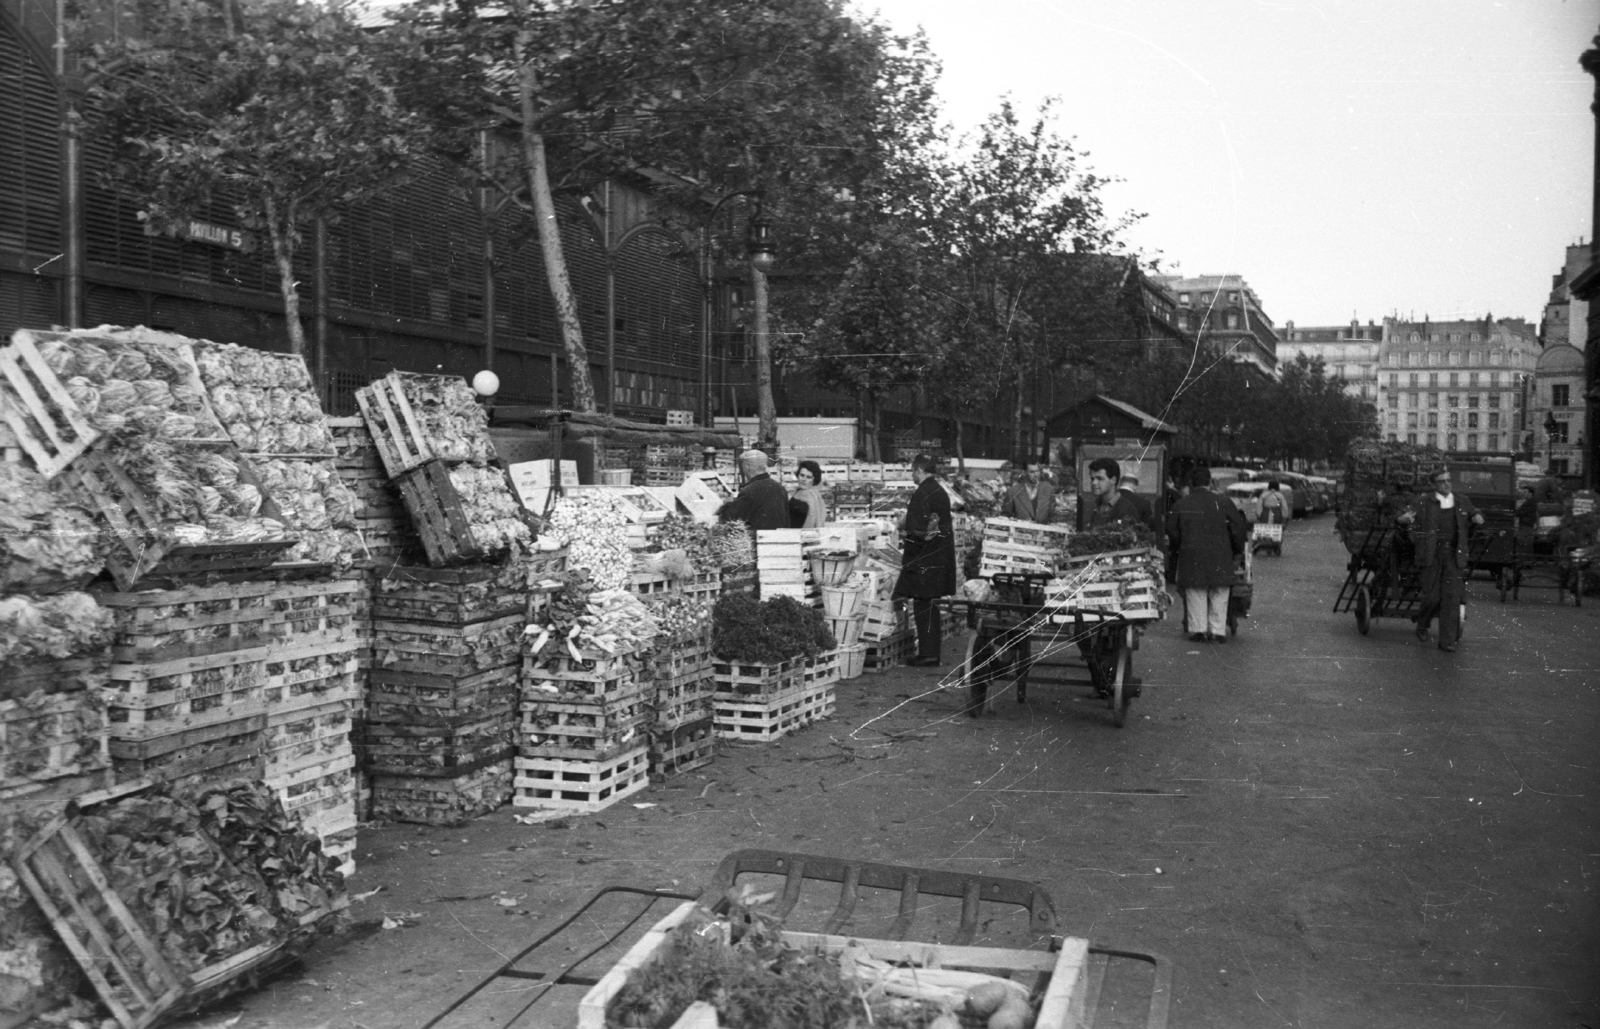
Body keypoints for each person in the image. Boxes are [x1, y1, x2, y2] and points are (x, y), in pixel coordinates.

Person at [1397, 468, 1484, 653]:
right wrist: (1404, 521)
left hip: (1453, 556)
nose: (1447, 483)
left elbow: (1472, 511)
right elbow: (1405, 517)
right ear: (1434, 485)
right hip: (1431, 556)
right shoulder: (1423, 502)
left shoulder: (1461, 500)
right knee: (1433, 597)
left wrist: (1477, 515)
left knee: (1451, 599)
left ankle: (1446, 641)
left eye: (1448, 480)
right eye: (1442, 481)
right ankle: (1422, 623)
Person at [1166, 465, 1248, 643]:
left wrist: (1181, 547)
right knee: (1219, 592)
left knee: (1196, 592)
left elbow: (1172, 531)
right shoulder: (1224, 502)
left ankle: (1199, 630)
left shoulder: (1181, 504)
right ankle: (1218, 631)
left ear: (1191, 484)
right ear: (1210, 482)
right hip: (1220, 555)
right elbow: (1238, 528)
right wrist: (1237, 550)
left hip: (1192, 556)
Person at [893, 454, 955, 666]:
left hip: (925, 558)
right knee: (930, 604)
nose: (911, 474)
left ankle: (928, 654)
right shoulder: (939, 490)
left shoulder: (923, 492)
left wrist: (910, 557)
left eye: (912, 470)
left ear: (919, 470)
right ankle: (931, 652)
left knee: (923, 605)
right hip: (938, 555)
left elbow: (918, 530)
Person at [718, 449, 789, 531]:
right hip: (779, 540)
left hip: (758, 540)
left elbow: (728, 520)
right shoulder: (780, 488)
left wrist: (727, 504)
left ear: (746, 467)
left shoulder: (750, 491)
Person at [1085, 457, 1143, 528]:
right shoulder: (1096, 506)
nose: (1094, 483)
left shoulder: (1125, 509)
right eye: (1092, 479)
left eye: (1100, 478)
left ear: (1113, 480)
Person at [789, 460, 826, 529]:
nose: (804, 479)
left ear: (814, 480)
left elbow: (813, 519)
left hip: (802, 536)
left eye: (808, 477)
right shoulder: (799, 491)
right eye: (802, 475)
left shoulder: (811, 494)